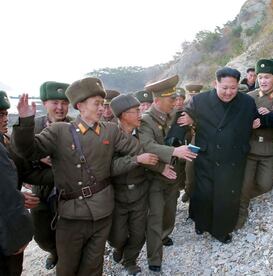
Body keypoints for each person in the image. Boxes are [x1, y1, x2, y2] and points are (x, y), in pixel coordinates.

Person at [11, 77, 156, 276]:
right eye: (96, 104)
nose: (101, 108)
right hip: (72, 215)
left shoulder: (110, 130)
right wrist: (25, 122)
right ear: (80, 106)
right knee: (68, 266)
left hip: (103, 211)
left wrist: (149, 152)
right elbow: (27, 150)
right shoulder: (59, 131)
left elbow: (135, 148)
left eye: (102, 104)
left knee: (94, 265)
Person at [179, 67, 273, 243]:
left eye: (233, 88)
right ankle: (201, 223)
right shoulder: (200, 100)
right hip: (207, 155)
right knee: (205, 193)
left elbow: (258, 120)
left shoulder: (246, 102)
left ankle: (221, 230)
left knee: (226, 195)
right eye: (224, 88)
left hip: (233, 157)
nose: (229, 92)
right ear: (216, 84)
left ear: (238, 85)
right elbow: (182, 119)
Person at [108, 94, 173, 275]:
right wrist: (136, 160)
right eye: (136, 111)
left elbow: (152, 155)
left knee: (138, 234)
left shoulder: (142, 133)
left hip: (140, 192)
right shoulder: (111, 136)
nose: (140, 113)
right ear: (123, 115)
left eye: (140, 109)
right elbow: (109, 167)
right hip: (118, 195)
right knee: (117, 236)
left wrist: (161, 168)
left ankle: (130, 261)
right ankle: (118, 248)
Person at [139, 75, 197, 272]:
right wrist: (174, 152)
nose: (175, 101)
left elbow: (189, 132)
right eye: (170, 99)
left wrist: (191, 121)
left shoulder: (175, 115)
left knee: (170, 209)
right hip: (154, 175)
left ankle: (165, 234)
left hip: (173, 172)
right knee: (155, 215)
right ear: (156, 101)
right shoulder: (146, 121)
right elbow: (146, 146)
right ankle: (154, 259)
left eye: (174, 98)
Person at [236, 59, 273, 229]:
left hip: (268, 149)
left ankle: (240, 197)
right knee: (245, 184)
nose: (263, 81)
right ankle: (240, 211)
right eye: (260, 77)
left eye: (267, 77)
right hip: (250, 148)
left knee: (266, 185)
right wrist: (249, 125)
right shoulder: (247, 98)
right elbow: (237, 124)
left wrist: (272, 116)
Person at [29, 81, 72, 270]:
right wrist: (39, 159)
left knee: (68, 231)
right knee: (41, 234)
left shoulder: (75, 127)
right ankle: (53, 251)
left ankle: (64, 258)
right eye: (55, 102)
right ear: (45, 103)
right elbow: (20, 155)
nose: (60, 108)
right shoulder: (32, 126)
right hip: (41, 189)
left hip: (69, 189)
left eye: (64, 102)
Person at [0, 90, 34, 276]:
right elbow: (7, 201)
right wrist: (18, 239)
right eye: (0, 115)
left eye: (5, 113)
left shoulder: (4, 141)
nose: (5, 119)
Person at [181, 83, 204, 203]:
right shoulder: (184, 106)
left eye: (196, 94)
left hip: (206, 140)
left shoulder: (207, 105)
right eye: (191, 94)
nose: (193, 97)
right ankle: (188, 190)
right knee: (190, 167)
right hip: (193, 142)